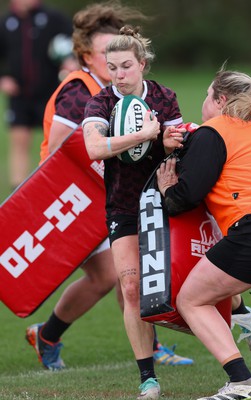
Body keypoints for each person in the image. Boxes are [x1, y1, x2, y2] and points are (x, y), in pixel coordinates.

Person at [25, 2, 193, 373]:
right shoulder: (79, 90)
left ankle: (149, 344)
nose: (113, 64)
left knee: (126, 275)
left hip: (107, 193)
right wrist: (123, 150)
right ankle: (49, 335)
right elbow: (58, 153)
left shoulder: (128, 94)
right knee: (110, 276)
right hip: (72, 198)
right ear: (87, 55)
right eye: (105, 56)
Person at [156, 64, 251, 400]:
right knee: (216, 280)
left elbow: (186, 197)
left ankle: (241, 381)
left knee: (191, 300)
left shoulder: (213, 131)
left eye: (209, 95)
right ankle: (247, 319)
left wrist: (167, 188)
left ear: (221, 100)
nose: (205, 102)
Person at [82, 25, 189, 399]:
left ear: (142, 64)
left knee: (188, 281)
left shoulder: (164, 97)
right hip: (124, 205)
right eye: (112, 68)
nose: (119, 75)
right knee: (131, 287)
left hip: (166, 202)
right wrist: (145, 136)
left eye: (126, 66)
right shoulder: (100, 103)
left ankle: (240, 312)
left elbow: (177, 146)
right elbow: (95, 148)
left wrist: (171, 140)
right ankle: (148, 378)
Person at [0, 0, 75, 190]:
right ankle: (18, 191)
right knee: (19, 144)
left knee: (56, 145)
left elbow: (73, 43)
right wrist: (3, 78)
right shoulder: (6, 23)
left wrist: (69, 61)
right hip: (19, 96)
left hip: (51, 95)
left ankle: (57, 187)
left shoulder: (53, 18)